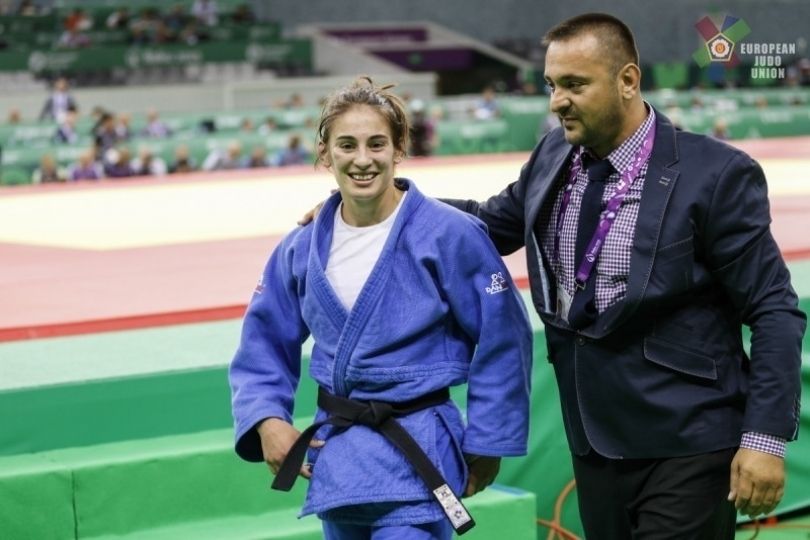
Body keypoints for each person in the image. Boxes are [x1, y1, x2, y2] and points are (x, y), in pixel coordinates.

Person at [441, 13, 805, 539]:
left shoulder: (715, 174)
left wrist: (764, 439)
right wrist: (391, 207)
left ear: (628, 80)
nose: (556, 101)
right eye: (551, 85)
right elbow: (486, 225)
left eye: (574, 85)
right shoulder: (553, 154)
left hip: (690, 442)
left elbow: (774, 309)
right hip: (594, 442)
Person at [229, 77, 532, 540]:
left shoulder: (450, 234)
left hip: (419, 449)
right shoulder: (301, 246)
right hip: (341, 458)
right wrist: (267, 418)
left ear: (399, 148)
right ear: (325, 153)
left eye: (376, 144)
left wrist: (489, 440)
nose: (363, 159)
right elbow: (263, 340)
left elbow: (503, 337)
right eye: (346, 145)